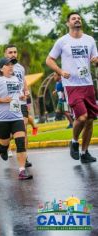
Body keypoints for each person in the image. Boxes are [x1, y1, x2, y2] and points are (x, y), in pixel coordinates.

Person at [46, 12, 98, 163]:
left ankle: (85, 153)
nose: (77, 20)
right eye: (73, 18)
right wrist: (61, 71)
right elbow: (49, 60)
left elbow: (96, 59)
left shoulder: (89, 40)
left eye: (79, 18)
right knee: (82, 117)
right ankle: (74, 141)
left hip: (87, 84)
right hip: (72, 85)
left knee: (89, 120)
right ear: (68, 23)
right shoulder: (63, 41)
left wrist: (96, 61)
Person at [0, 57, 33, 180]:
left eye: (12, 64)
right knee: (3, 146)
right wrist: (2, 100)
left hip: (16, 117)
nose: (11, 66)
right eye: (8, 64)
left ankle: (22, 171)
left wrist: (22, 97)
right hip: (2, 119)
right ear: (1, 68)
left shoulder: (16, 79)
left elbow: (17, 94)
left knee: (20, 143)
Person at [0, 44, 32, 167]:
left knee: (23, 130)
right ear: (5, 54)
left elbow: (23, 81)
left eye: (15, 52)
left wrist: (26, 92)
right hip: (6, 104)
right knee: (9, 135)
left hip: (20, 103)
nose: (13, 54)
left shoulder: (20, 68)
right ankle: (4, 148)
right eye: (10, 52)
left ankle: (24, 159)